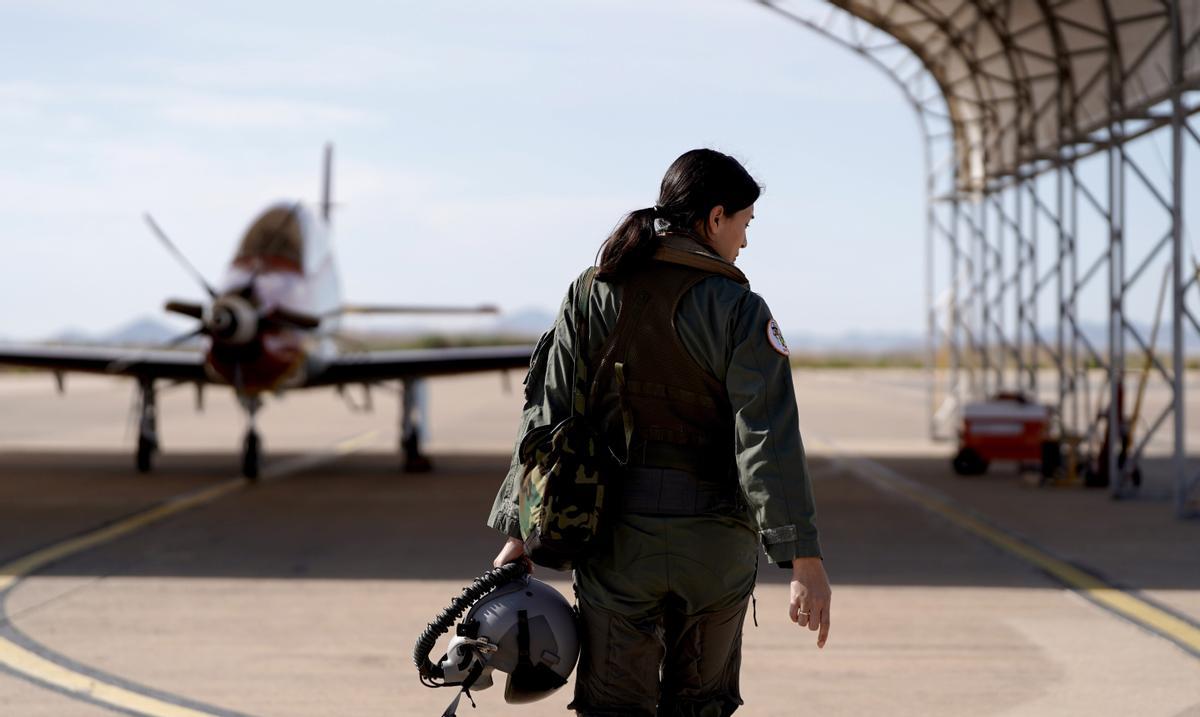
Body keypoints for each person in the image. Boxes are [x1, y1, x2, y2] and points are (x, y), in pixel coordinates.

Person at [487, 148, 830, 716]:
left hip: (616, 545)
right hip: (713, 550)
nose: (743, 242)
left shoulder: (591, 292)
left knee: (615, 708)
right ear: (714, 219)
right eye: (744, 224)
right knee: (699, 705)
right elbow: (766, 440)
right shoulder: (740, 309)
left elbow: (545, 424)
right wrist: (803, 559)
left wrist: (518, 534)